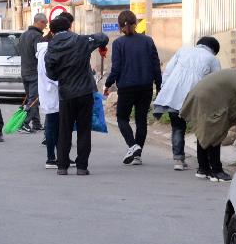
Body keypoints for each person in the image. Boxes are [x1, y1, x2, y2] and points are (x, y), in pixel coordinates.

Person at [180, 63, 236, 182]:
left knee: (205, 134)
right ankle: (217, 171)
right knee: (215, 135)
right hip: (207, 101)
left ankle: (203, 169)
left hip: (201, 98)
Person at [45, 17, 109, 175]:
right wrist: (101, 45)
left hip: (66, 94)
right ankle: (81, 167)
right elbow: (103, 37)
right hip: (85, 92)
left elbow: (51, 74)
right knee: (84, 129)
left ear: (52, 32)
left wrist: (63, 75)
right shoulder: (82, 40)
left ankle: (62, 166)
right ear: (69, 27)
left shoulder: (51, 47)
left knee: (64, 130)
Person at [103, 10, 162, 166]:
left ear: (119, 25)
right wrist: (159, 85)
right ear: (136, 23)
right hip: (146, 86)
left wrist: (108, 84)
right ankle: (137, 155)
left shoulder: (118, 44)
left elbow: (116, 69)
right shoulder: (148, 41)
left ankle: (132, 145)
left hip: (127, 87)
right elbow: (156, 65)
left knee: (122, 118)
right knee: (141, 120)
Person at [153, 37, 221, 171]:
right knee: (200, 129)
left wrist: (165, 87)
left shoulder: (183, 51)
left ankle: (178, 160)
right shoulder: (212, 59)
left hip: (174, 94)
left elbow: (168, 71)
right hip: (195, 97)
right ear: (213, 49)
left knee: (178, 128)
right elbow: (216, 81)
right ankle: (204, 162)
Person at [37, 17, 64, 169]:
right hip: (52, 92)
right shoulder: (47, 51)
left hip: (53, 92)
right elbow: (50, 73)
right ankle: (51, 158)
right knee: (53, 125)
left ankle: (59, 156)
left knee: (57, 125)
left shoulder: (47, 49)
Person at [17, 13, 48, 133]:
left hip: (24, 72)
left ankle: (36, 123)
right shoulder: (38, 37)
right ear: (39, 22)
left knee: (32, 98)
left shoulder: (23, 35)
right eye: (44, 24)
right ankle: (24, 123)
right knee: (34, 99)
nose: (45, 27)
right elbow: (40, 55)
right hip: (35, 73)